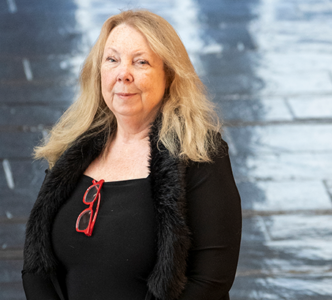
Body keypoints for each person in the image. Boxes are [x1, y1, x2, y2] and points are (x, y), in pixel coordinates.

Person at [22, 9, 241, 300]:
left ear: (169, 76)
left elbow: (211, 280)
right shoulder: (72, 147)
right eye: (112, 60)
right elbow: (37, 265)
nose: (123, 74)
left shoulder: (200, 154)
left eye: (141, 62)